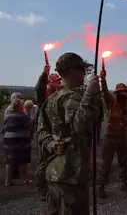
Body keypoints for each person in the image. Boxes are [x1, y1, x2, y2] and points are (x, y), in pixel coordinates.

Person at [37, 52, 101, 214]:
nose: (83, 74)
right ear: (72, 71)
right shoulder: (72, 97)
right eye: (81, 69)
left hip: (54, 173)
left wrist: (50, 144)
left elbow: (42, 130)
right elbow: (80, 126)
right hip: (72, 173)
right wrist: (90, 94)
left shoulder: (51, 99)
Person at [97, 70, 127, 198]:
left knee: (124, 161)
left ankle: (124, 183)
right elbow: (105, 93)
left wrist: (124, 118)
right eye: (120, 92)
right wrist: (103, 80)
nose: (123, 94)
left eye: (125, 92)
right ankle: (101, 186)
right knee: (106, 162)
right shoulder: (112, 102)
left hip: (122, 137)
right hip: (111, 136)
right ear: (117, 93)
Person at [34, 65, 62, 201]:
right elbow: (39, 88)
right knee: (43, 163)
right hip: (45, 134)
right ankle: (41, 189)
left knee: (56, 161)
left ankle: (53, 186)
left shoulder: (59, 96)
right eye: (57, 81)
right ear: (50, 83)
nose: (60, 83)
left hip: (57, 134)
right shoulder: (43, 97)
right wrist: (44, 74)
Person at [3, 98, 33, 186]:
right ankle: (24, 179)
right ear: (19, 106)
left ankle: (8, 181)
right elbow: (30, 123)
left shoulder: (8, 114)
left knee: (10, 160)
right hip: (20, 139)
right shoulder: (22, 115)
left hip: (8, 139)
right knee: (22, 160)